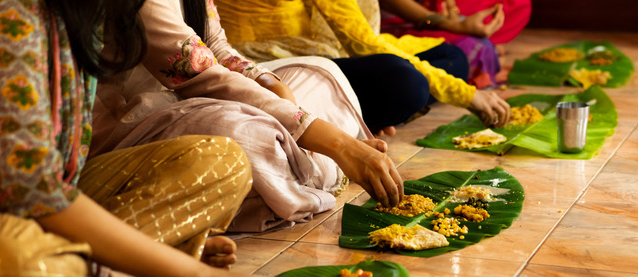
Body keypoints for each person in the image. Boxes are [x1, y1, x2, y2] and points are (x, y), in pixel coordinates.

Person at [0, 0, 290, 277]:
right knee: (24, 274)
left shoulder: (85, 12)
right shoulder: (3, 9)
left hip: (51, 204)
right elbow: (35, 193)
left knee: (223, 160)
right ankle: (137, 269)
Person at [91, 0, 404, 232]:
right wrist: (338, 143)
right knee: (243, 134)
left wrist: (271, 84)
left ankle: (296, 167)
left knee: (322, 73)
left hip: (200, 96)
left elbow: (216, 47)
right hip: (134, 117)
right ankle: (316, 162)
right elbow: (201, 75)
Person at [214, 0, 511, 129]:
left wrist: (449, 22)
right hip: (273, 65)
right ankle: (352, 116)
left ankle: (357, 110)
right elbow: (360, 41)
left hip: (321, 45)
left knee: (452, 58)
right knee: (408, 85)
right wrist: (466, 94)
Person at [378, 0, 532, 87]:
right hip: (396, 18)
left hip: (438, 13)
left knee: (520, 4)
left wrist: (451, 9)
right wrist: (453, 25)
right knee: (460, 58)